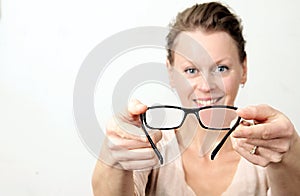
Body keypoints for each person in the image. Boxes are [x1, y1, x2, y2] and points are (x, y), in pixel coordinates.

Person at [92, 2, 300, 195]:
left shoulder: (266, 150)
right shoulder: (151, 145)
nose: (207, 86)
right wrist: (113, 159)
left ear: (243, 69)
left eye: (221, 68)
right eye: (191, 70)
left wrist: (291, 155)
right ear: (171, 73)